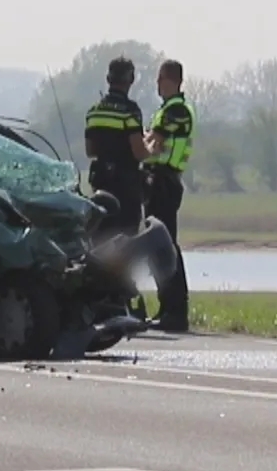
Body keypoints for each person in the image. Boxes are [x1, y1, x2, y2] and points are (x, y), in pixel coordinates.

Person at [144, 59, 195, 332]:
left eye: (161, 79)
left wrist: (135, 144)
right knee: (158, 246)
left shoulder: (176, 110)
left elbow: (154, 143)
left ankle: (176, 310)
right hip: (159, 180)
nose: (157, 84)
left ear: (173, 81)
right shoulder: (167, 109)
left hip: (165, 180)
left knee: (165, 245)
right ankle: (167, 307)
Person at [83, 56, 153, 239]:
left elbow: (90, 151)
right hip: (126, 186)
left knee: (100, 237)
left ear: (108, 79)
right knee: (127, 239)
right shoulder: (129, 110)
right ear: (131, 80)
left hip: (100, 183)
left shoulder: (94, 111)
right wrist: (152, 148)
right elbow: (138, 152)